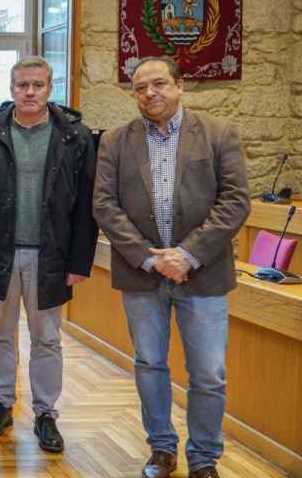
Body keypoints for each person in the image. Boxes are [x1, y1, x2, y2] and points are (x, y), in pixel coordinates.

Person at [94, 56, 250, 478]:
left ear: (180, 86)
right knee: (149, 364)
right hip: (142, 275)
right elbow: (104, 206)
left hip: (204, 274)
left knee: (208, 374)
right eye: (141, 87)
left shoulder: (219, 134)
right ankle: (161, 449)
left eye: (159, 84)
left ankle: (203, 457)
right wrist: (150, 256)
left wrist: (186, 254)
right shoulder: (115, 141)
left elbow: (235, 201)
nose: (150, 93)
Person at [0, 55, 97, 453]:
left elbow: (86, 205)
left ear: (50, 87)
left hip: (51, 256)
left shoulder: (74, 136)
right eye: (22, 85)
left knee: (46, 338)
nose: (29, 92)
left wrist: (79, 262)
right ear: (11, 89)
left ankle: (45, 414)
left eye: (37, 85)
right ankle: (1, 404)